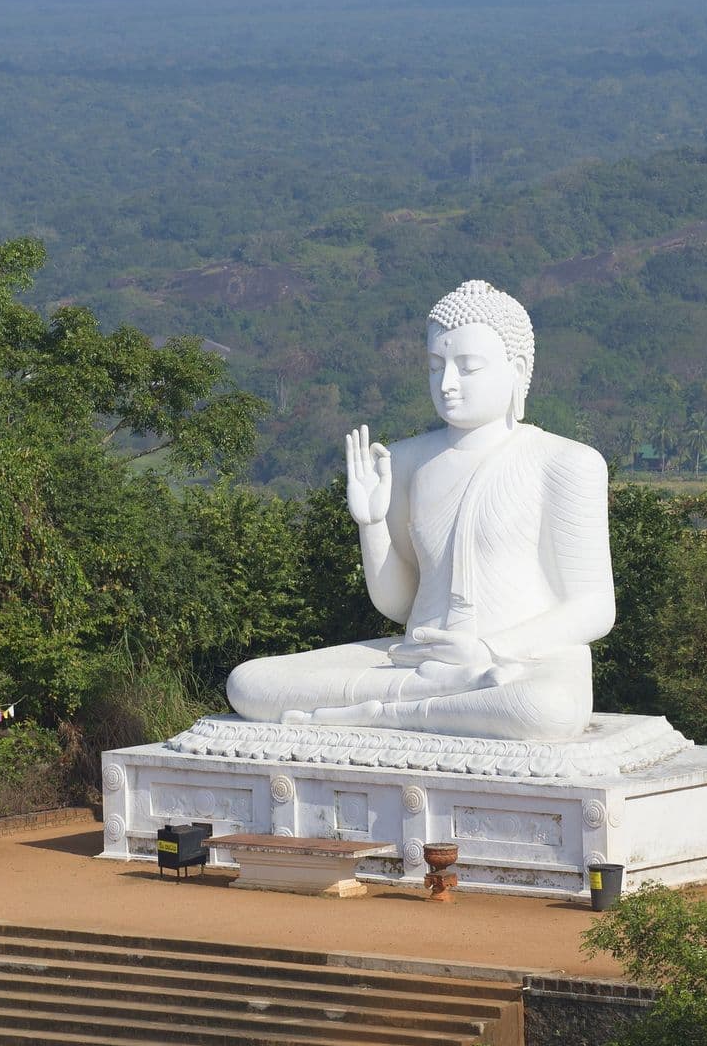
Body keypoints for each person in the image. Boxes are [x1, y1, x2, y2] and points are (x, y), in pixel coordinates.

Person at [226, 281, 614, 741]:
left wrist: (488, 649)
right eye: (435, 367)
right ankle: (425, 706)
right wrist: (370, 525)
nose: (446, 384)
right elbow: (399, 604)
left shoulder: (566, 462)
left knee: (543, 710)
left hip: (519, 663)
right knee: (249, 682)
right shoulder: (406, 461)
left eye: (467, 367)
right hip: (415, 662)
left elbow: (593, 607)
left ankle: (374, 714)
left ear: (517, 369)